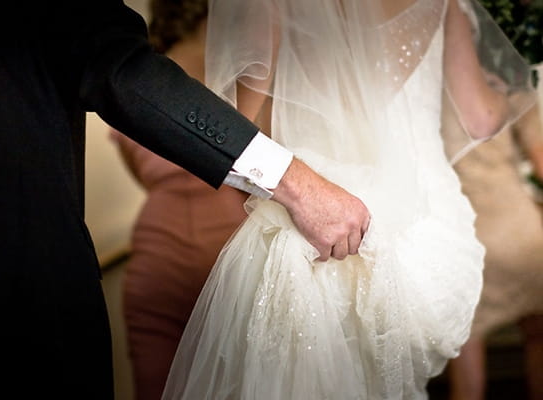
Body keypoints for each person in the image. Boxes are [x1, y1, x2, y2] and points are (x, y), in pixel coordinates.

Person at [0, 0, 378, 398]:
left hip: (186, 254)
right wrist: (297, 182)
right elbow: (121, 70)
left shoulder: (251, 43)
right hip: (42, 286)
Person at [161, 0, 537, 399]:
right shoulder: (447, 6)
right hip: (426, 235)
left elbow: (239, 128)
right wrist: (510, 76)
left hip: (316, 225)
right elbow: (480, 118)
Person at [109, 1, 248, 398]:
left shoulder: (135, 83)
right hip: (230, 263)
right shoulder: (248, 73)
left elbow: (147, 178)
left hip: (156, 264)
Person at [446, 103, 543, 400]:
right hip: (521, 230)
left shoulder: (421, 75)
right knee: (538, 332)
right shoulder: (506, 82)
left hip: (464, 233)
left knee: (467, 340)